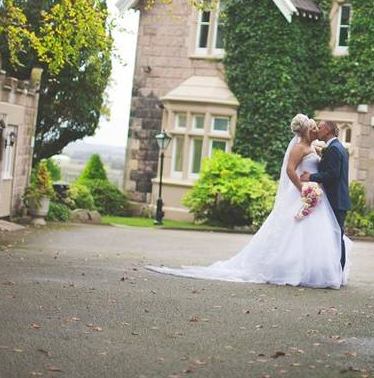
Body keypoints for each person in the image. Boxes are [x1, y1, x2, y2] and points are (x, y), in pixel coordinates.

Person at [145, 114, 350, 289]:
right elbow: (290, 170)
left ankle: (313, 271)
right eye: (313, 127)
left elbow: (324, 170)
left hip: (315, 196)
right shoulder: (298, 148)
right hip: (302, 194)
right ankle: (291, 270)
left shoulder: (315, 147)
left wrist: (311, 183)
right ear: (305, 130)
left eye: (318, 127)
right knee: (295, 232)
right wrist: (302, 189)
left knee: (317, 236)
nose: (316, 130)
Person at [300, 119, 350, 269]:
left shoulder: (334, 149)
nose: (317, 130)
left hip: (336, 199)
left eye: (320, 127)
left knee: (336, 237)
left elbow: (332, 174)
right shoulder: (336, 147)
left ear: (328, 129)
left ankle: (338, 272)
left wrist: (311, 177)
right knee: (335, 236)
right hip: (338, 199)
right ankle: (336, 272)